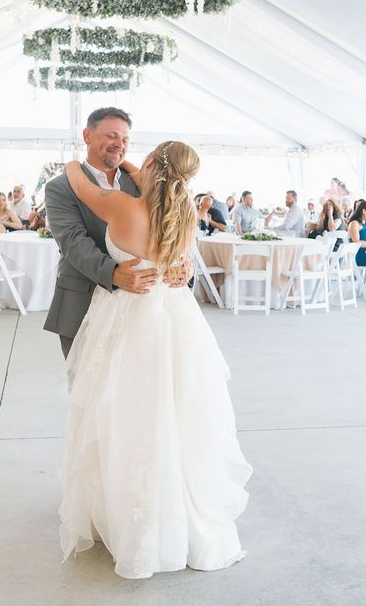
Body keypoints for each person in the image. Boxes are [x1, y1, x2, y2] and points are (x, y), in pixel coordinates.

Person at [58, 139, 250, 580]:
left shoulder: (123, 207)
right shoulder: (182, 216)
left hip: (130, 318)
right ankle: (179, 517)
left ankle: (134, 524)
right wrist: (136, 163)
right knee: (178, 417)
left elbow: (76, 177)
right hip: (175, 318)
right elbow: (178, 260)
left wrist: (75, 154)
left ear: (149, 165)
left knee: (127, 418)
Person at [45, 106, 186, 361]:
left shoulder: (145, 183)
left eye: (125, 138)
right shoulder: (60, 187)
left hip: (145, 308)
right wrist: (113, 273)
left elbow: (172, 227)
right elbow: (72, 241)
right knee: (86, 388)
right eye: (112, 136)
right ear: (87, 135)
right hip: (83, 301)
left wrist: (184, 265)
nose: (119, 144)